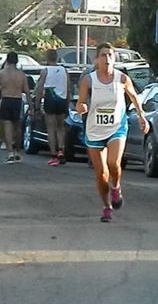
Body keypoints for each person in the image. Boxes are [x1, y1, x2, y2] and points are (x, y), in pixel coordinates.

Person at [76, 43, 149, 222]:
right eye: (103, 55)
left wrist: (141, 116)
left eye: (110, 55)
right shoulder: (89, 80)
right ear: (96, 60)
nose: (106, 59)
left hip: (117, 126)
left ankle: (116, 187)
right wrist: (82, 107)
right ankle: (106, 205)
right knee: (101, 174)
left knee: (113, 163)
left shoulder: (122, 79)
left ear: (114, 59)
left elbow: (133, 97)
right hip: (94, 129)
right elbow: (80, 103)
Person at [0, 52, 33, 164]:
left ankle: (10, 153)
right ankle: (17, 151)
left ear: (7, 61)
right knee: (18, 127)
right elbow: (27, 92)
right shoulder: (21, 75)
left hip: (6, 100)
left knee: (7, 126)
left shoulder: (1, 74)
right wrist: (32, 107)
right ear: (17, 61)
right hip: (17, 100)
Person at [35, 49, 70, 166]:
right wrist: (67, 103)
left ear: (47, 57)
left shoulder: (45, 71)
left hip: (50, 99)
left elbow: (40, 89)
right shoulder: (64, 70)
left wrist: (37, 105)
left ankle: (53, 154)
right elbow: (69, 88)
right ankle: (61, 150)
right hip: (62, 100)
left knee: (51, 128)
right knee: (60, 127)